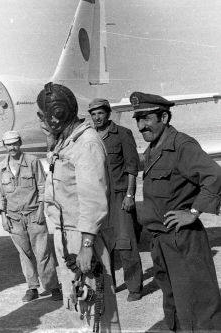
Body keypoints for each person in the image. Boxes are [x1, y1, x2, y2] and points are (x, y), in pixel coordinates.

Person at [131, 91, 221, 331]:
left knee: (198, 306)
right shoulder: (153, 149)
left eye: (147, 118)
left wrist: (193, 211)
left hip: (183, 240)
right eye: (137, 119)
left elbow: (214, 175)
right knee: (174, 304)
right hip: (161, 241)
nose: (141, 126)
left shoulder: (181, 145)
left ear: (164, 117)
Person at [37, 83, 120, 332]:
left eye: (44, 116)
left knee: (98, 310)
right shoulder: (66, 142)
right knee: (77, 305)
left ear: (57, 114)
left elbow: (93, 201)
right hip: (67, 235)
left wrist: (85, 247)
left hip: (84, 237)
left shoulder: (86, 144)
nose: (40, 122)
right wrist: (52, 140)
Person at [0, 130, 62, 302]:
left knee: (43, 253)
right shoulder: (1, 168)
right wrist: (3, 216)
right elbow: (0, 194)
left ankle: (53, 286)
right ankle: (32, 287)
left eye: (15, 143)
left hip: (34, 215)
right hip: (14, 218)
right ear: (5, 146)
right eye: (9, 144)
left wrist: (41, 210)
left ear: (20, 142)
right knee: (24, 254)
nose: (12, 147)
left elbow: (42, 186)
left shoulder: (32, 161)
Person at [88, 98, 144, 302]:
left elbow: (132, 167)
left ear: (108, 114)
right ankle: (108, 285)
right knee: (102, 244)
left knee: (126, 243)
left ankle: (134, 287)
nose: (97, 117)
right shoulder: (91, 137)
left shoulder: (122, 134)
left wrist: (130, 195)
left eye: (100, 113)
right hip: (98, 198)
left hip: (120, 196)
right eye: (93, 114)